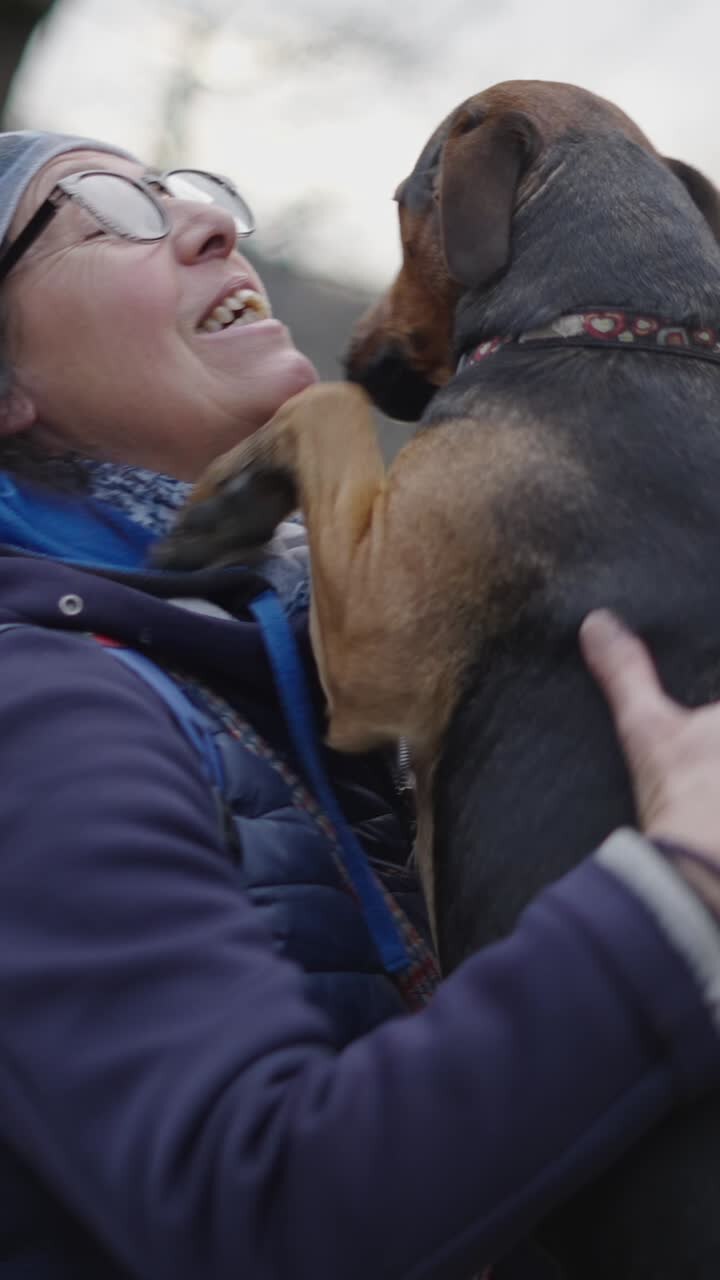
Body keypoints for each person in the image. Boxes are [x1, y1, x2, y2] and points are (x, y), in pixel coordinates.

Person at [0, 130, 720, 1280]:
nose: (209, 221)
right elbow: (258, 1214)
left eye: (184, 188)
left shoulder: (292, 646)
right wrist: (682, 895)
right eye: (102, 210)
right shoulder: (38, 715)